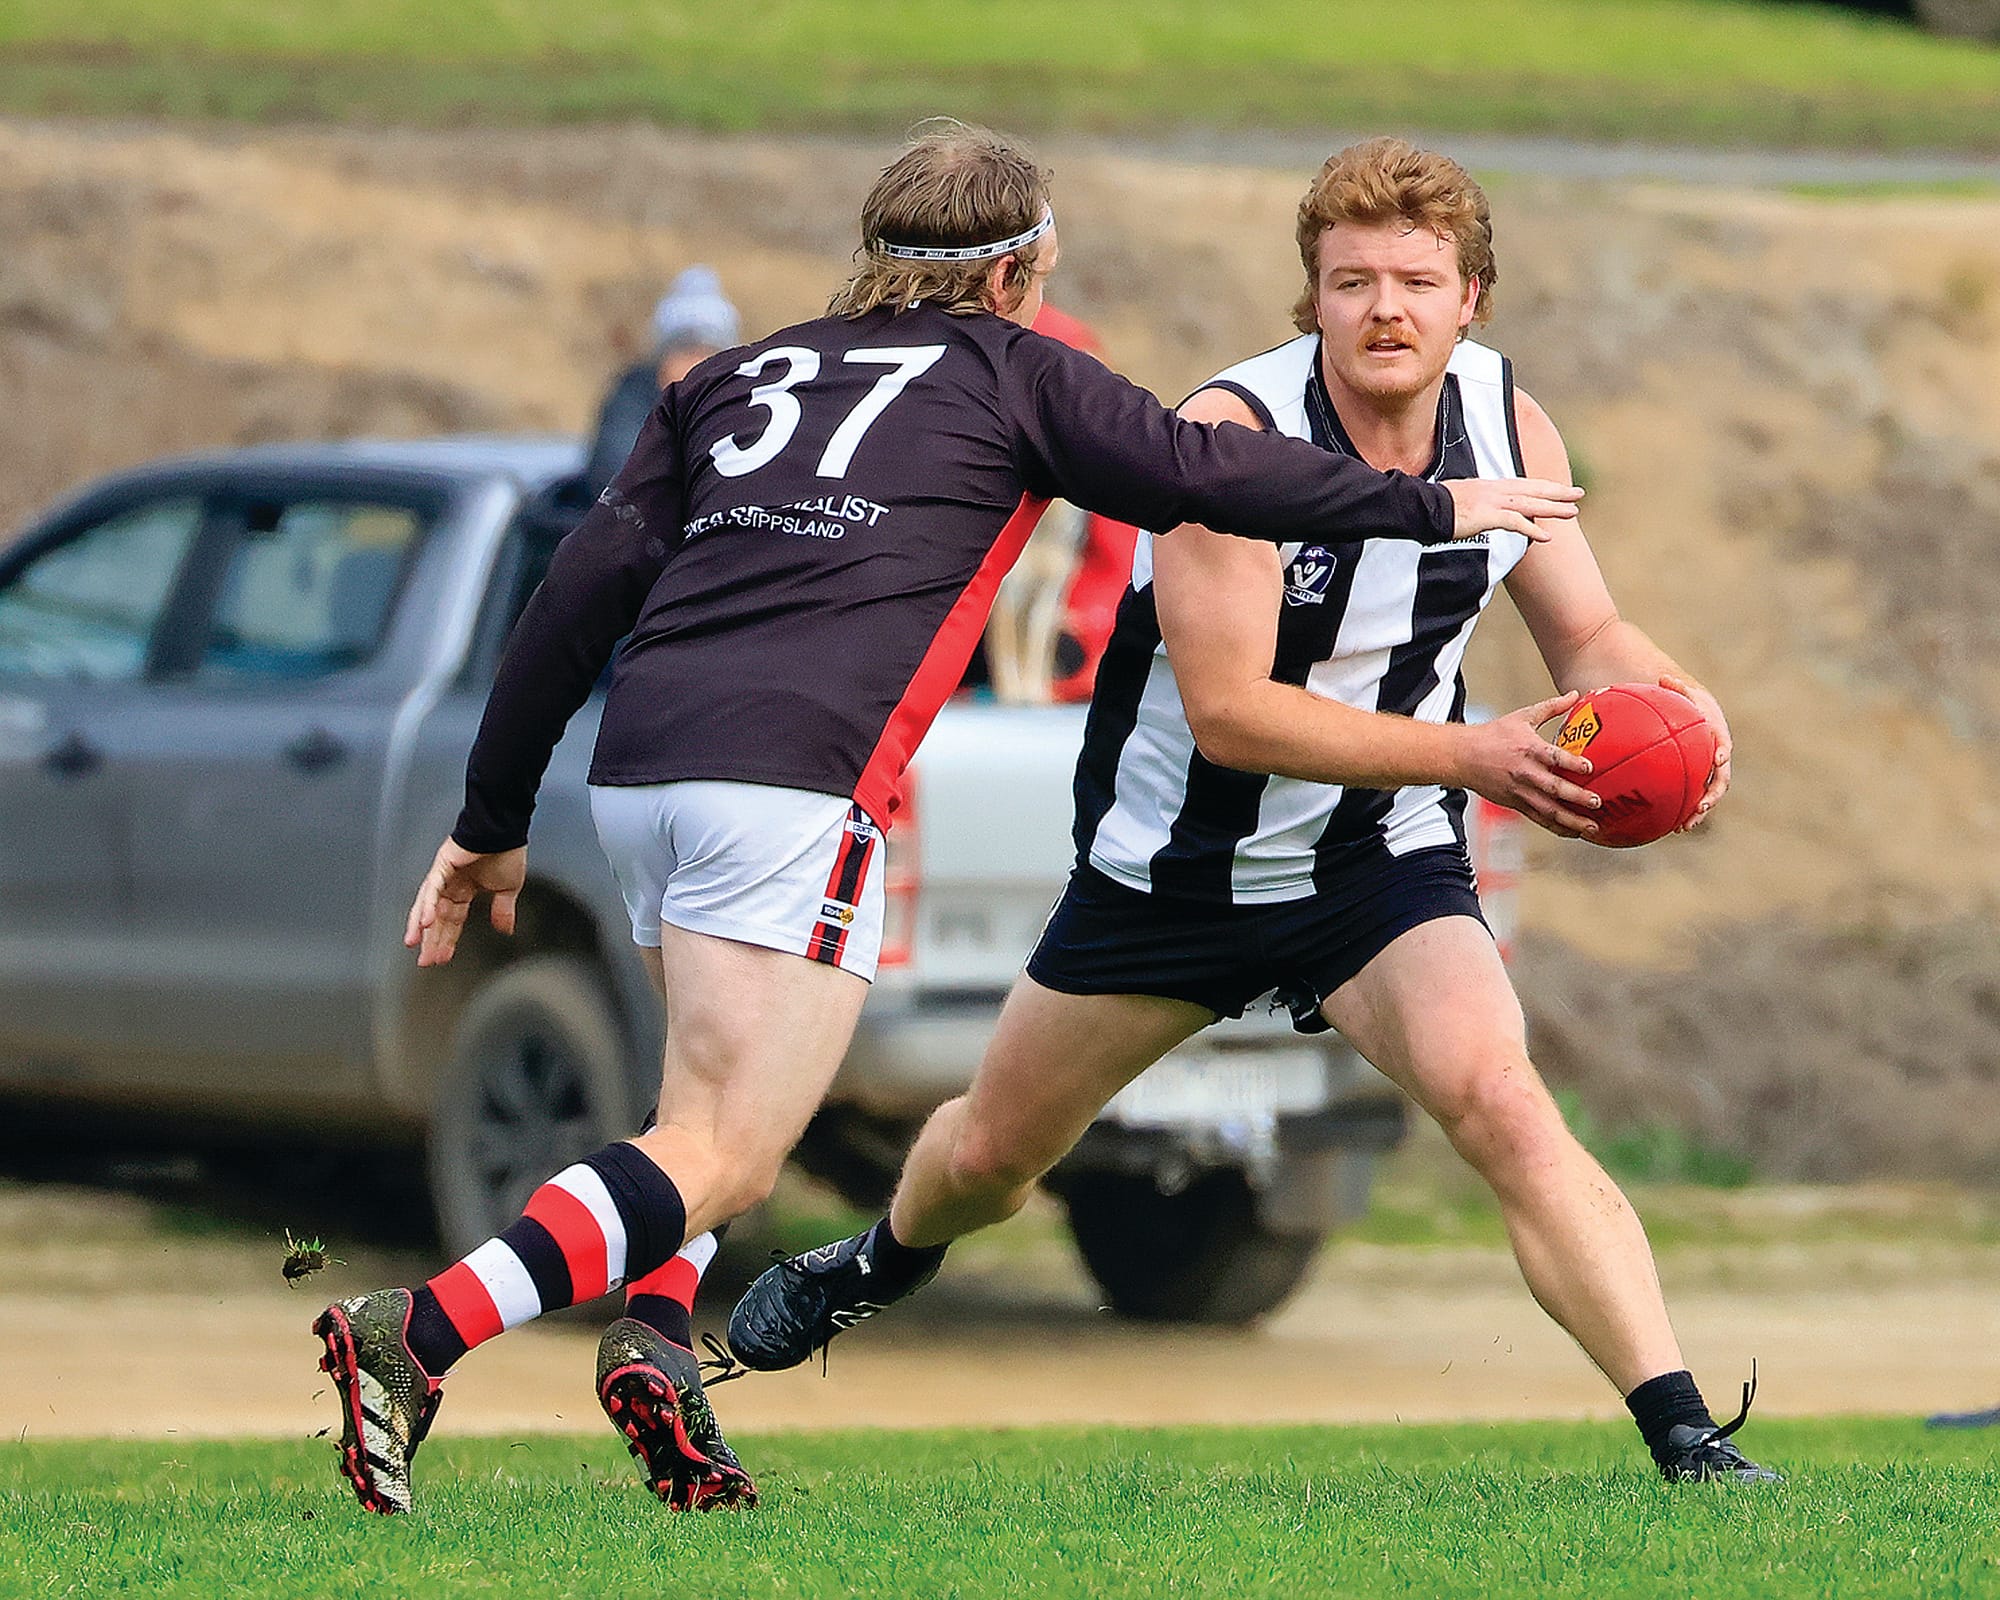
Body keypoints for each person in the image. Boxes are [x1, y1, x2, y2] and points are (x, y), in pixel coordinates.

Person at [311, 122, 1584, 1518]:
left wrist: (491, 815)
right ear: (1019, 271)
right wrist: (1431, 499)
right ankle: (418, 1336)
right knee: (730, 1147)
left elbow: (578, 591)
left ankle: (661, 1347)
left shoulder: (735, 375)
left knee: (708, 1107)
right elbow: (1207, 474)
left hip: (644, 770)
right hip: (795, 780)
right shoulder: (1015, 371)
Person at [728, 137, 1776, 1486]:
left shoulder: (1509, 422)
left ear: (1473, 300)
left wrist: (1685, 709)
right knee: (994, 1156)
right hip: (1179, 867)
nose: (1385, 309)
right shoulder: (1231, 443)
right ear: (1312, 299)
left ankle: (1683, 1436)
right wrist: (1468, 758)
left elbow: (1591, 636)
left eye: (1416, 280)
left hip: (1375, 862)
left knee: (1501, 1099)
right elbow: (1231, 712)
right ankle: (877, 1258)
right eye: (1351, 282)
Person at [579, 266, 744, 503]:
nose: (697, 365)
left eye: (709, 353)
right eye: (686, 350)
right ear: (662, 359)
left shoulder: (744, 408)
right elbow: (617, 479)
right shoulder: (629, 408)